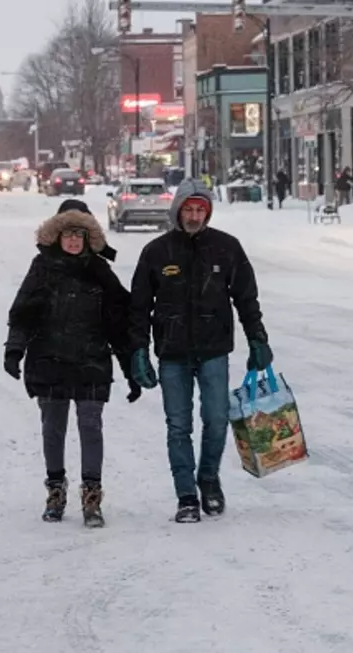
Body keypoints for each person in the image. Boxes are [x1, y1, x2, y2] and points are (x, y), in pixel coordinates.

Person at [128, 179, 272, 524]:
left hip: (213, 349)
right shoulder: (156, 252)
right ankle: (186, 496)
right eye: (188, 209)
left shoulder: (227, 248)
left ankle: (208, 478)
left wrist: (257, 339)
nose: (194, 216)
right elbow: (138, 307)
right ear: (178, 210)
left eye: (200, 210)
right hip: (172, 352)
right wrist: (138, 351)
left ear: (207, 212)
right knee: (178, 425)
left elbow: (246, 299)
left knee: (217, 420)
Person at [4, 204, 140, 528]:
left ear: (89, 237)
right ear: (57, 236)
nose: (74, 241)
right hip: (49, 360)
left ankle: (92, 495)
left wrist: (130, 370)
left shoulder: (101, 272)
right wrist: (14, 351)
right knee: (53, 428)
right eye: (68, 234)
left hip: (91, 361)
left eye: (80, 234)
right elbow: (23, 313)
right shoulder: (42, 268)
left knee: (90, 426)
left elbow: (118, 325)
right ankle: (56, 491)